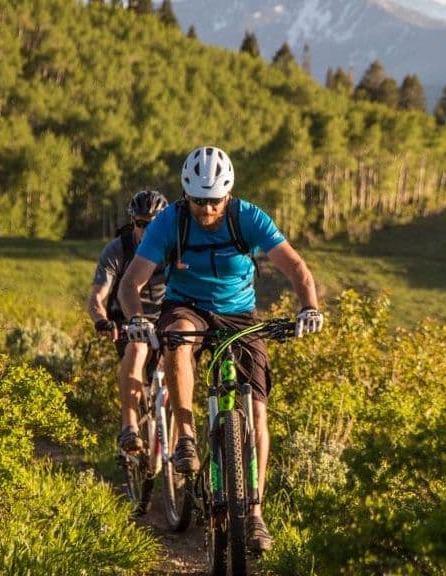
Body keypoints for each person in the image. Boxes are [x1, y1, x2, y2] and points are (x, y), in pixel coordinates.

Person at [119, 146, 323, 551]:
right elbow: (131, 283)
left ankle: (256, 515)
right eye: (198, 201)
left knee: (258, 412)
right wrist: (137, 317)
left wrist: (309, 308)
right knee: (176, 337)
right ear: (186, 196)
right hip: (187, 307)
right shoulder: (169, 222)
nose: (207, 210)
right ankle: (187, 436)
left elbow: (296, 267)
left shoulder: (247, 217)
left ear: (227, 195)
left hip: (238, 313)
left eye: (214, 201)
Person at [86, 189, 169, 453]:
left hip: (166, 317)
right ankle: (129, 427)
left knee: (179, 364)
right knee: (137, 348)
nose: (146, 229)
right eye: (141, 223)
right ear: (132, 221)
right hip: (127, 319)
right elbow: (97, 297)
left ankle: (179, 444)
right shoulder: (117, 250)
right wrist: (101, 320)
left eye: (154, 223)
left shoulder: (175, 248)